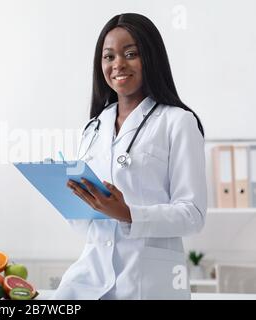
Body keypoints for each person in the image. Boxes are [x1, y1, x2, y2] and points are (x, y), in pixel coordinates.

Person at [51, 13, 207, 300]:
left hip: (147, 282)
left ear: (151, 57)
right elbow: (88, 225)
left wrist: (129, 213)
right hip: (91, 277)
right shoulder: (94, 127)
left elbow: (193, 215)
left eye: (131, 54)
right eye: (108, 57)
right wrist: (70, 199)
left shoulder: (178, 122)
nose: (118, 64)